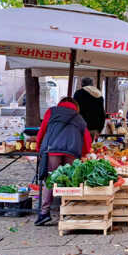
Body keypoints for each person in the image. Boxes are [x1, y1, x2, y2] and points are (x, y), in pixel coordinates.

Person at [35, 97, 92, 226]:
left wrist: (39, 147)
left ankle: (44, 213)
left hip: (53, 150)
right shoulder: (79, 118)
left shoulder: (51, 112)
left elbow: (42, 130)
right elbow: (87, 140)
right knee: (71, 180)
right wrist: (84, 153)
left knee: (50, 179)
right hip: (72, 153)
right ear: (75, 106)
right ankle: (69, 211)